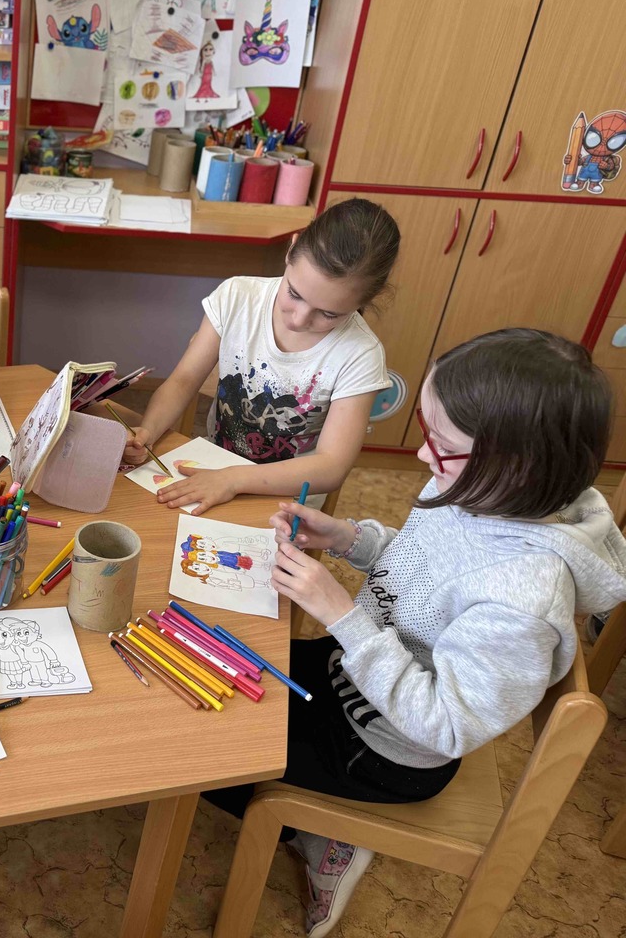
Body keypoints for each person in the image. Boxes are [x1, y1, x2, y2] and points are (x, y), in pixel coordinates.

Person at [209, 329, 626, 937]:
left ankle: (325, 836)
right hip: (353, 675)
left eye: (445, 446)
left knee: (197, 758)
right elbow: (420, 567)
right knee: (213, 676)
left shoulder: (524, 596)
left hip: (384, 751)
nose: (425, 457)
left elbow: (447, 725)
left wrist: (342, 615)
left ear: (518, 465)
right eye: (429, 432)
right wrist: (349, 538)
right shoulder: (478, 488)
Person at [123, 198, 400, 516]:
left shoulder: (360, 354)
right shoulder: (237, 297)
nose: (299, 319)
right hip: (213, 466)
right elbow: (183, 381)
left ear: (366, 299)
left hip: (285, 499)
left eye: (328, 314)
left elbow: (331, 466)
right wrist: (149, 430)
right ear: (291, 249)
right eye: (294, 293)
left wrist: (234, 479)